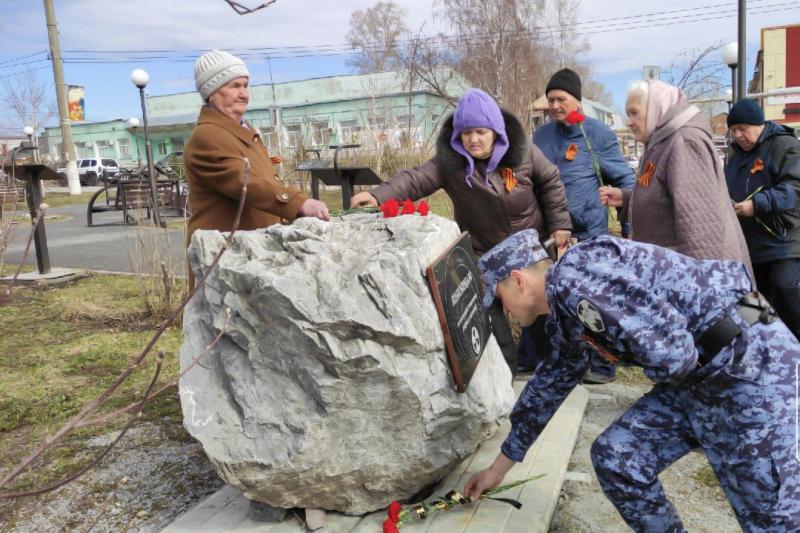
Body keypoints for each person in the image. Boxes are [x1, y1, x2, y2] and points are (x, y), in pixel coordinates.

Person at [465, 229, 800, 532]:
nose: (503, 311)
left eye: (499, 300)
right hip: (698, 372)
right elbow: (550, 384)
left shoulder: (575, 279)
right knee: (619, 457)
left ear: (518, 280)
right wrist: (500, 466)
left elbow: (672, 353)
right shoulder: (565, 306)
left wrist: (718, 433)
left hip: (747, 361)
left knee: (773, 515)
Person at [350, 88, 572, 374]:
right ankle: (506, 373)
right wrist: (379, 195)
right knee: (488, 314)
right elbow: (416, 179)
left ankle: (552, 369)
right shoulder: (450, 163)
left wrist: (560, 225)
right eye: (466, 133)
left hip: (527, 246)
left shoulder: (524, 151)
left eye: (480, 131)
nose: (473, 139)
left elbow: (551, 181)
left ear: (495, 130)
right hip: (484, 250)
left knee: (541, 306)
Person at [184, 50, 329, 285]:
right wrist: (298, 202)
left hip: (247, 253)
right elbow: (244, 183)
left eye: (245, 85)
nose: (243, 94)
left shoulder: (242, 130)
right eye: (234, 86)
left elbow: (265, 181)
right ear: (212, 92)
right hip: (223, 256)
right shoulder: (208, 136)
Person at [533, 68, 635, 384]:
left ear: (576, 100)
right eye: (550, 100)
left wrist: (625, 203)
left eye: (560, 99)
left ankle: (603, 365)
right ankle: (564, 361)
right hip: (552, 235)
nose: (554, 105)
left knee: (593, 303)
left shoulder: (596, 134)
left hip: (589, 232)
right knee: (554, 302)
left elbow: (624, 178)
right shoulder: (541, 136)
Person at [599, 80, 751, 271]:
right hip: (673, 272)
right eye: (628, 114)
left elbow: (701, 225)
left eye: (634, 113)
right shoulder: (662, 142)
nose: (628, 121)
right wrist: (628, 198)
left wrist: (703, 288)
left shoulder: (683, 142)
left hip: (687, 278)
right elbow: (667, 198)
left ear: (657, 108)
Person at [725, 98, 800, 340]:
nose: (738, 135)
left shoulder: (784, 145)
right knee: (752, 300)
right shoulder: (736, 156)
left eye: (743, 129)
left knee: (785, 291)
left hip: (784, 241)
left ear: (759, 125)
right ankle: (767, 348)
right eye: (734, 130)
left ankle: (794, 344)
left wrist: (756, 205)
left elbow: (795, 189)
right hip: (750, 245)